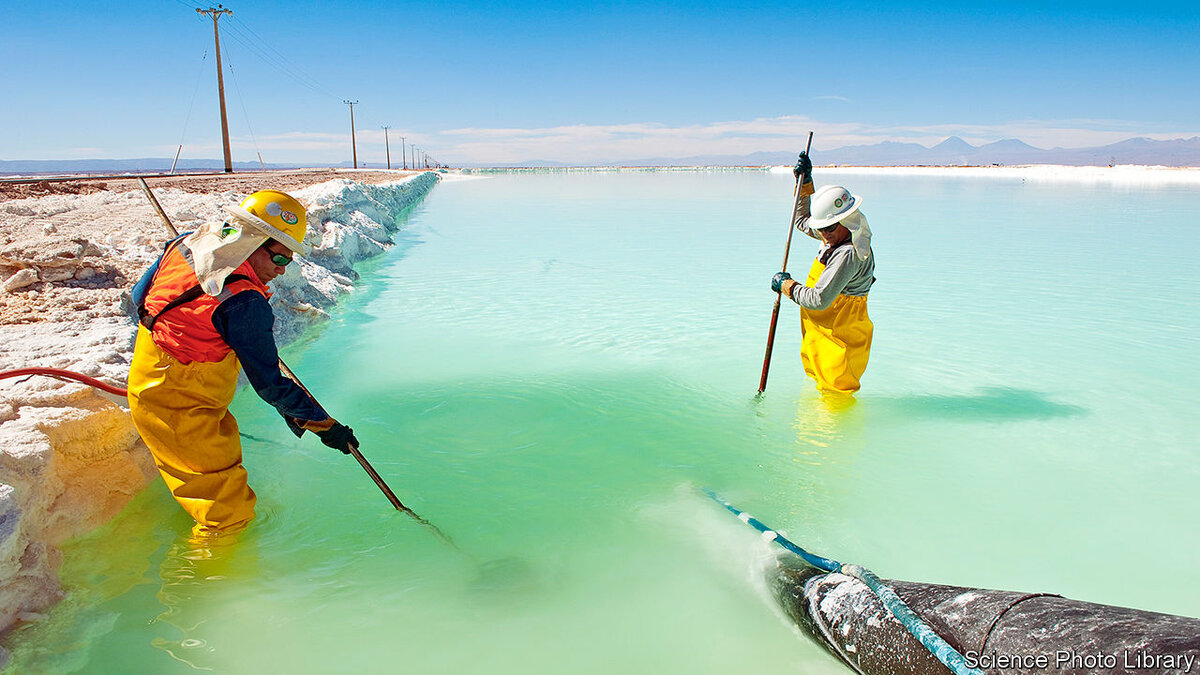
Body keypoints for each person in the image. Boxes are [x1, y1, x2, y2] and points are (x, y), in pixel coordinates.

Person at [127, 189, 358, 535]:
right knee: (228, 518)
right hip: (180, 406)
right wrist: (326, 427)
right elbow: (270, 384)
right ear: (254, 242)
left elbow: (140, 298)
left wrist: (193, 329)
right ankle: (208, 583)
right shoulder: (243, 303)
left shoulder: (188, 244)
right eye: (281, 259)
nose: (282, 272)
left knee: (218, 471)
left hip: (153, 376)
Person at [771, 152, 875, 394]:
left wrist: (786, 286)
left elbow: (819, 299)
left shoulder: (848, 253)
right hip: (824, 327)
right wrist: (805, 183)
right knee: (818, 382)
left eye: (828, 228)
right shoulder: (835, 234)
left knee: (836, 390)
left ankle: (834, 431)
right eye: (821, 229)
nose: (823, 234)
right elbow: (802, 220)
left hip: (841, 330)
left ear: (846, 220)